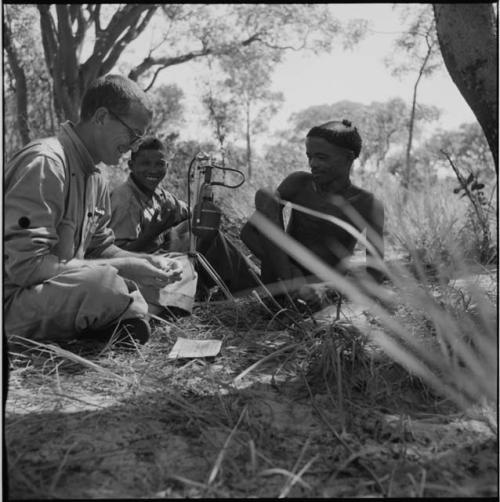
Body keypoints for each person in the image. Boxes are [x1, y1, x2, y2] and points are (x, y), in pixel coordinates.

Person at [4, 74, 196, 347]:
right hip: (15, 301)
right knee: (104, 285)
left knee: (182, 264)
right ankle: (126, 316)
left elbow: (100, 248)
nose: (135, 146)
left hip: (62, 287)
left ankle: (124, 317)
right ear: (102, 117)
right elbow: (27, 268)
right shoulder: (46, 163)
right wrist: (124, 267)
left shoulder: (96, 178)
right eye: (133, 134)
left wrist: (143, 264)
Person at [240, 119, 385, 311]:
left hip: (320, 295)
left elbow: (375, 274)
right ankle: (284, 296)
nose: (313, 164)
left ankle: (298, 296)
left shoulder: (367, 204)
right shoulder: (298, 184)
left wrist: (327, 289)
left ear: (348, 158)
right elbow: (248, 234)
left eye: (322, 157)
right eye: (309, 157)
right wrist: (287, 270)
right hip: (279, 282)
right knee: (265, 195)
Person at [109, 136, 258, 311]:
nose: (153, 169)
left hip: (161, 258)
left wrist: (205, 206)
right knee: (203, 237)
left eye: (159, 164)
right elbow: (119, 256)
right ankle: (255, 286)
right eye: (145, 163)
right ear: (131, 165)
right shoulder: (125, 200)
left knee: (203, 231)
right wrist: (154, 233)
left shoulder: (159, 194)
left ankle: (248, 282)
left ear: (167, 166)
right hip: (139, 272)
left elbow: (188, 212)